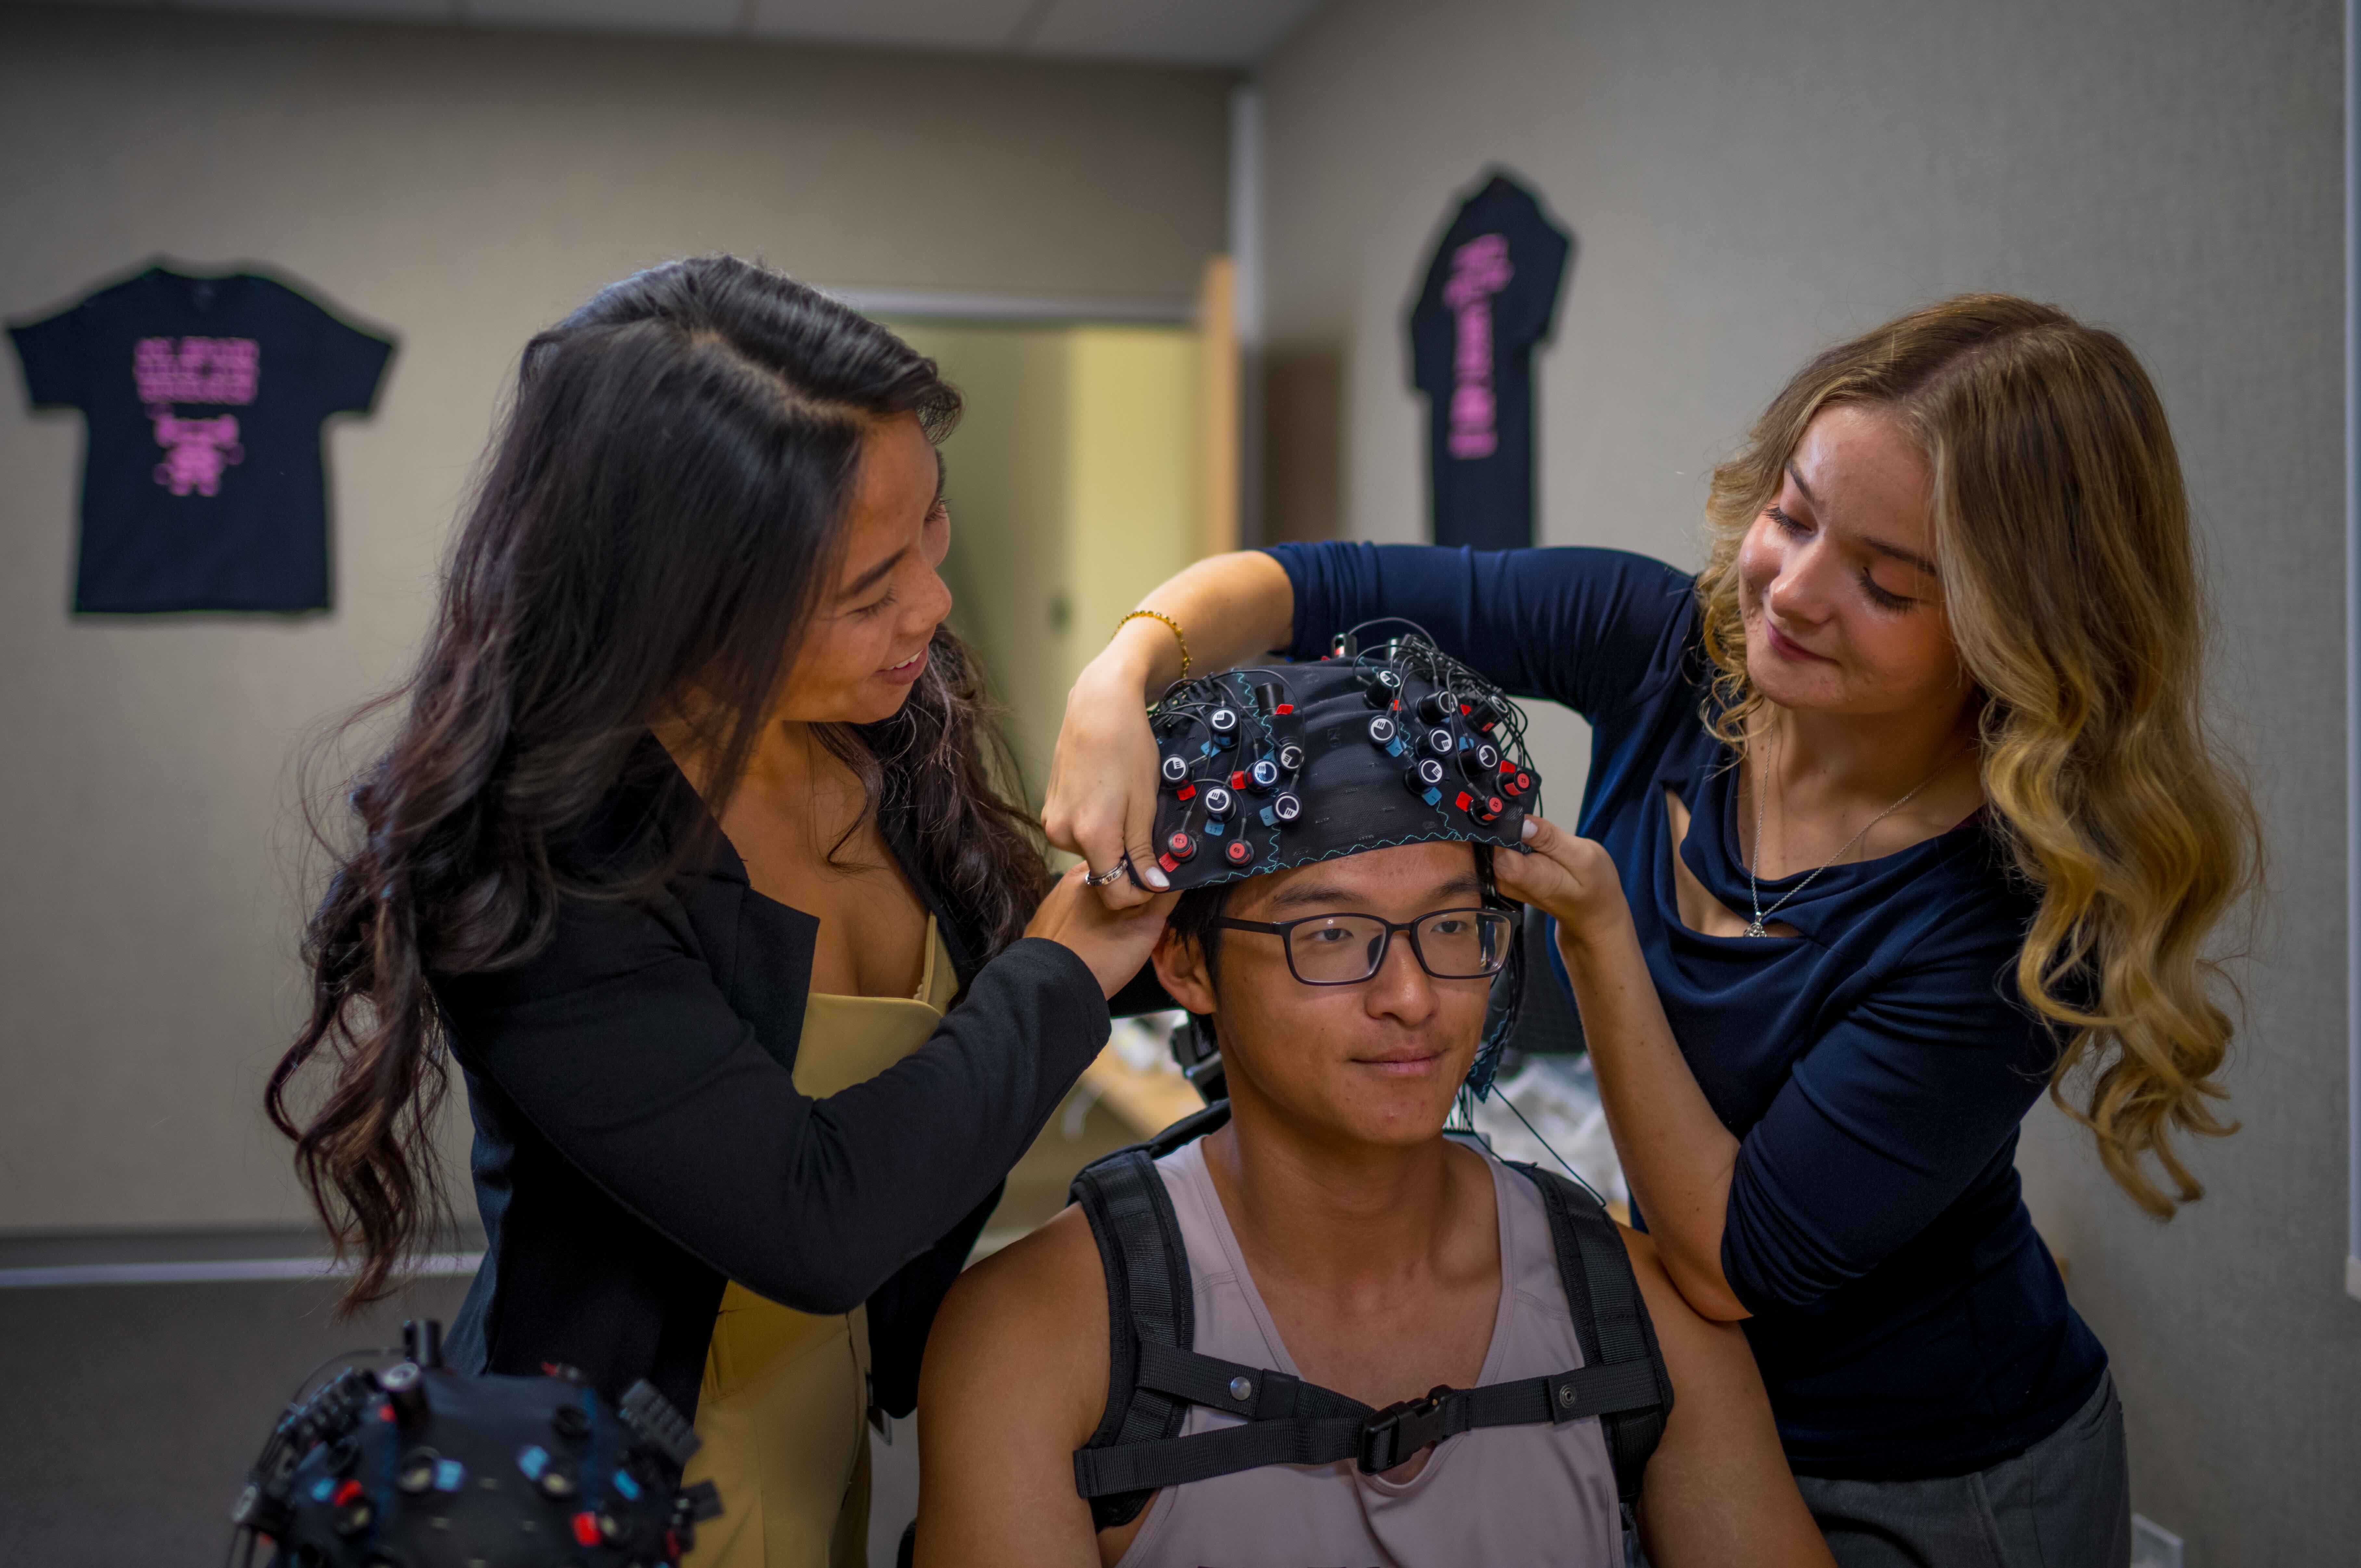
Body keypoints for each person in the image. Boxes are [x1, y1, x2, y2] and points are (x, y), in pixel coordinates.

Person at [1045, 295, 2260, 1564]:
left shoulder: (2008, 917)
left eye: (1883, 583)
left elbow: (1735, 1261)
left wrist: (1596, 932)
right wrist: (1117, 676)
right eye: (1790, 516)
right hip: (1687, 1408)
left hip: (1939, 1473)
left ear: (2013, 632)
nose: (1790, 589)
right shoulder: (1670, 651)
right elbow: (1314, 583)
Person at [267, 256, 1173, 1568]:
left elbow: (1001, 974)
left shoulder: (875, 723)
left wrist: (1212, 907)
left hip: (825, 1448)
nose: (930, 600)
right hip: (611, 1499)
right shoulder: (532, 861)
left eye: (932, 524)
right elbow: (818, 1218)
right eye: (867, 587)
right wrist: (1066, 974)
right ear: (680, 603)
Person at [916, 647, 1834, 1568]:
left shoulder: (1638, 1315)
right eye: (1331, 935)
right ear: (1185, 963)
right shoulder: (1035, 1337)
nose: (1410, 995)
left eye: (1449, 926)